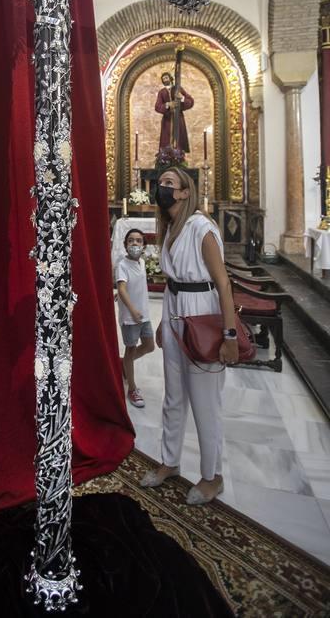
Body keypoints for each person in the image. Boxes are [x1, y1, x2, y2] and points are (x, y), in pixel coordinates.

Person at [139, 167, 238, 505]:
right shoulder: (170, 229)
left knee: (205, 402)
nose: (161, 188)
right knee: (173, 395)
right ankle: (170, 461)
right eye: (160, 183)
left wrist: (229, 335)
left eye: (168, 183)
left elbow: (223, 283)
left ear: (184, 192)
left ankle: (213, 476)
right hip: (174, 309)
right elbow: (172, 282)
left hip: (202, 311)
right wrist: (164, 323)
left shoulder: (201, 228)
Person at [115, 228, 155, 408]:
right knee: (130, 349)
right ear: (125, 245)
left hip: (144, 314)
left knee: (149, 346)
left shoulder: (141, 262)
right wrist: (132, 310)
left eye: (138, 241)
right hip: (131, 317)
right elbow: (122, 288)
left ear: (144, 246)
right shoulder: (122, 265)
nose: (134, 244)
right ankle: (132, 388)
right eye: (131, 241)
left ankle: (123, 365)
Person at [154, 71, 194, 152]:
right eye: (163, 79)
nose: (165, 80)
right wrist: (168, 104)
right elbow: (157, 107)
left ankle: (179, 157)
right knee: (167, 141)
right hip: (167, 121)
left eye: (166, 77)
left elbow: (190, 101)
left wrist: (182, 98)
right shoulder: (161, 92)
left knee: (179, 139)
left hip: (178, 119)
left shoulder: (178, 89)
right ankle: (166, 158)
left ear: (170, 78)